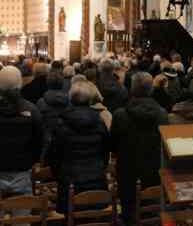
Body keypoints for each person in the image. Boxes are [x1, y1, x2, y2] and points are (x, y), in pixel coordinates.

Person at [111, 72, 168, 226]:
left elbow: (113, 145)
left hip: (127, 170)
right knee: (151, 211)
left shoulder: (120, 115)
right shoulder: (162, 115)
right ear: (151, 90)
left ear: (132, 89)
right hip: (153, 169)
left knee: (129, 213)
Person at [47, 79, 110, 215]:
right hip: (96, 179)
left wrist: (60, 176)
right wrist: (100, 168)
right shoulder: (99, 121)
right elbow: (105, 152)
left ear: (70, 98)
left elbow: (53, 156)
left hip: (69, 181)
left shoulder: (61, 123)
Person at [0, 66, 43, 201]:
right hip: (22, 171)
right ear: (20, 83)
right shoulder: (32, 110)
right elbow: (39, 141)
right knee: (23, 218)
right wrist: (33, 161)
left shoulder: (31, 110)